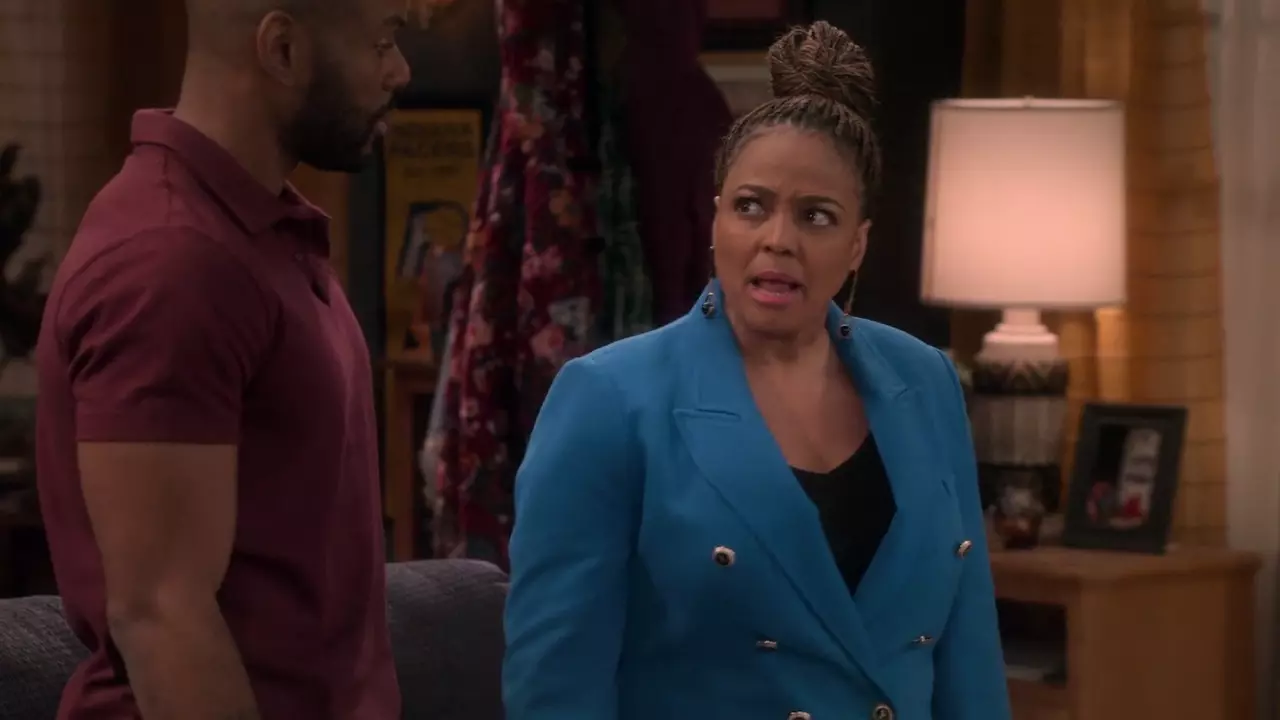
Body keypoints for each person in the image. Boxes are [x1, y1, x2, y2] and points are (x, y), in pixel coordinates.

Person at [503, 21, 1011, 720]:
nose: (778, 239)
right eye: (751, 207)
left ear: (858, 245)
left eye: (816, 217)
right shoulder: (609, 400)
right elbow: (556, 693)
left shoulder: (925, 381)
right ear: (716, 221)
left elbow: (970, 666)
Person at [34, 0, 410, 718]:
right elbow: (160, 614)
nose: (400, 71)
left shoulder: (259, 231)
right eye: (381, 43)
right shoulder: (173, 263)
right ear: (282, 49)